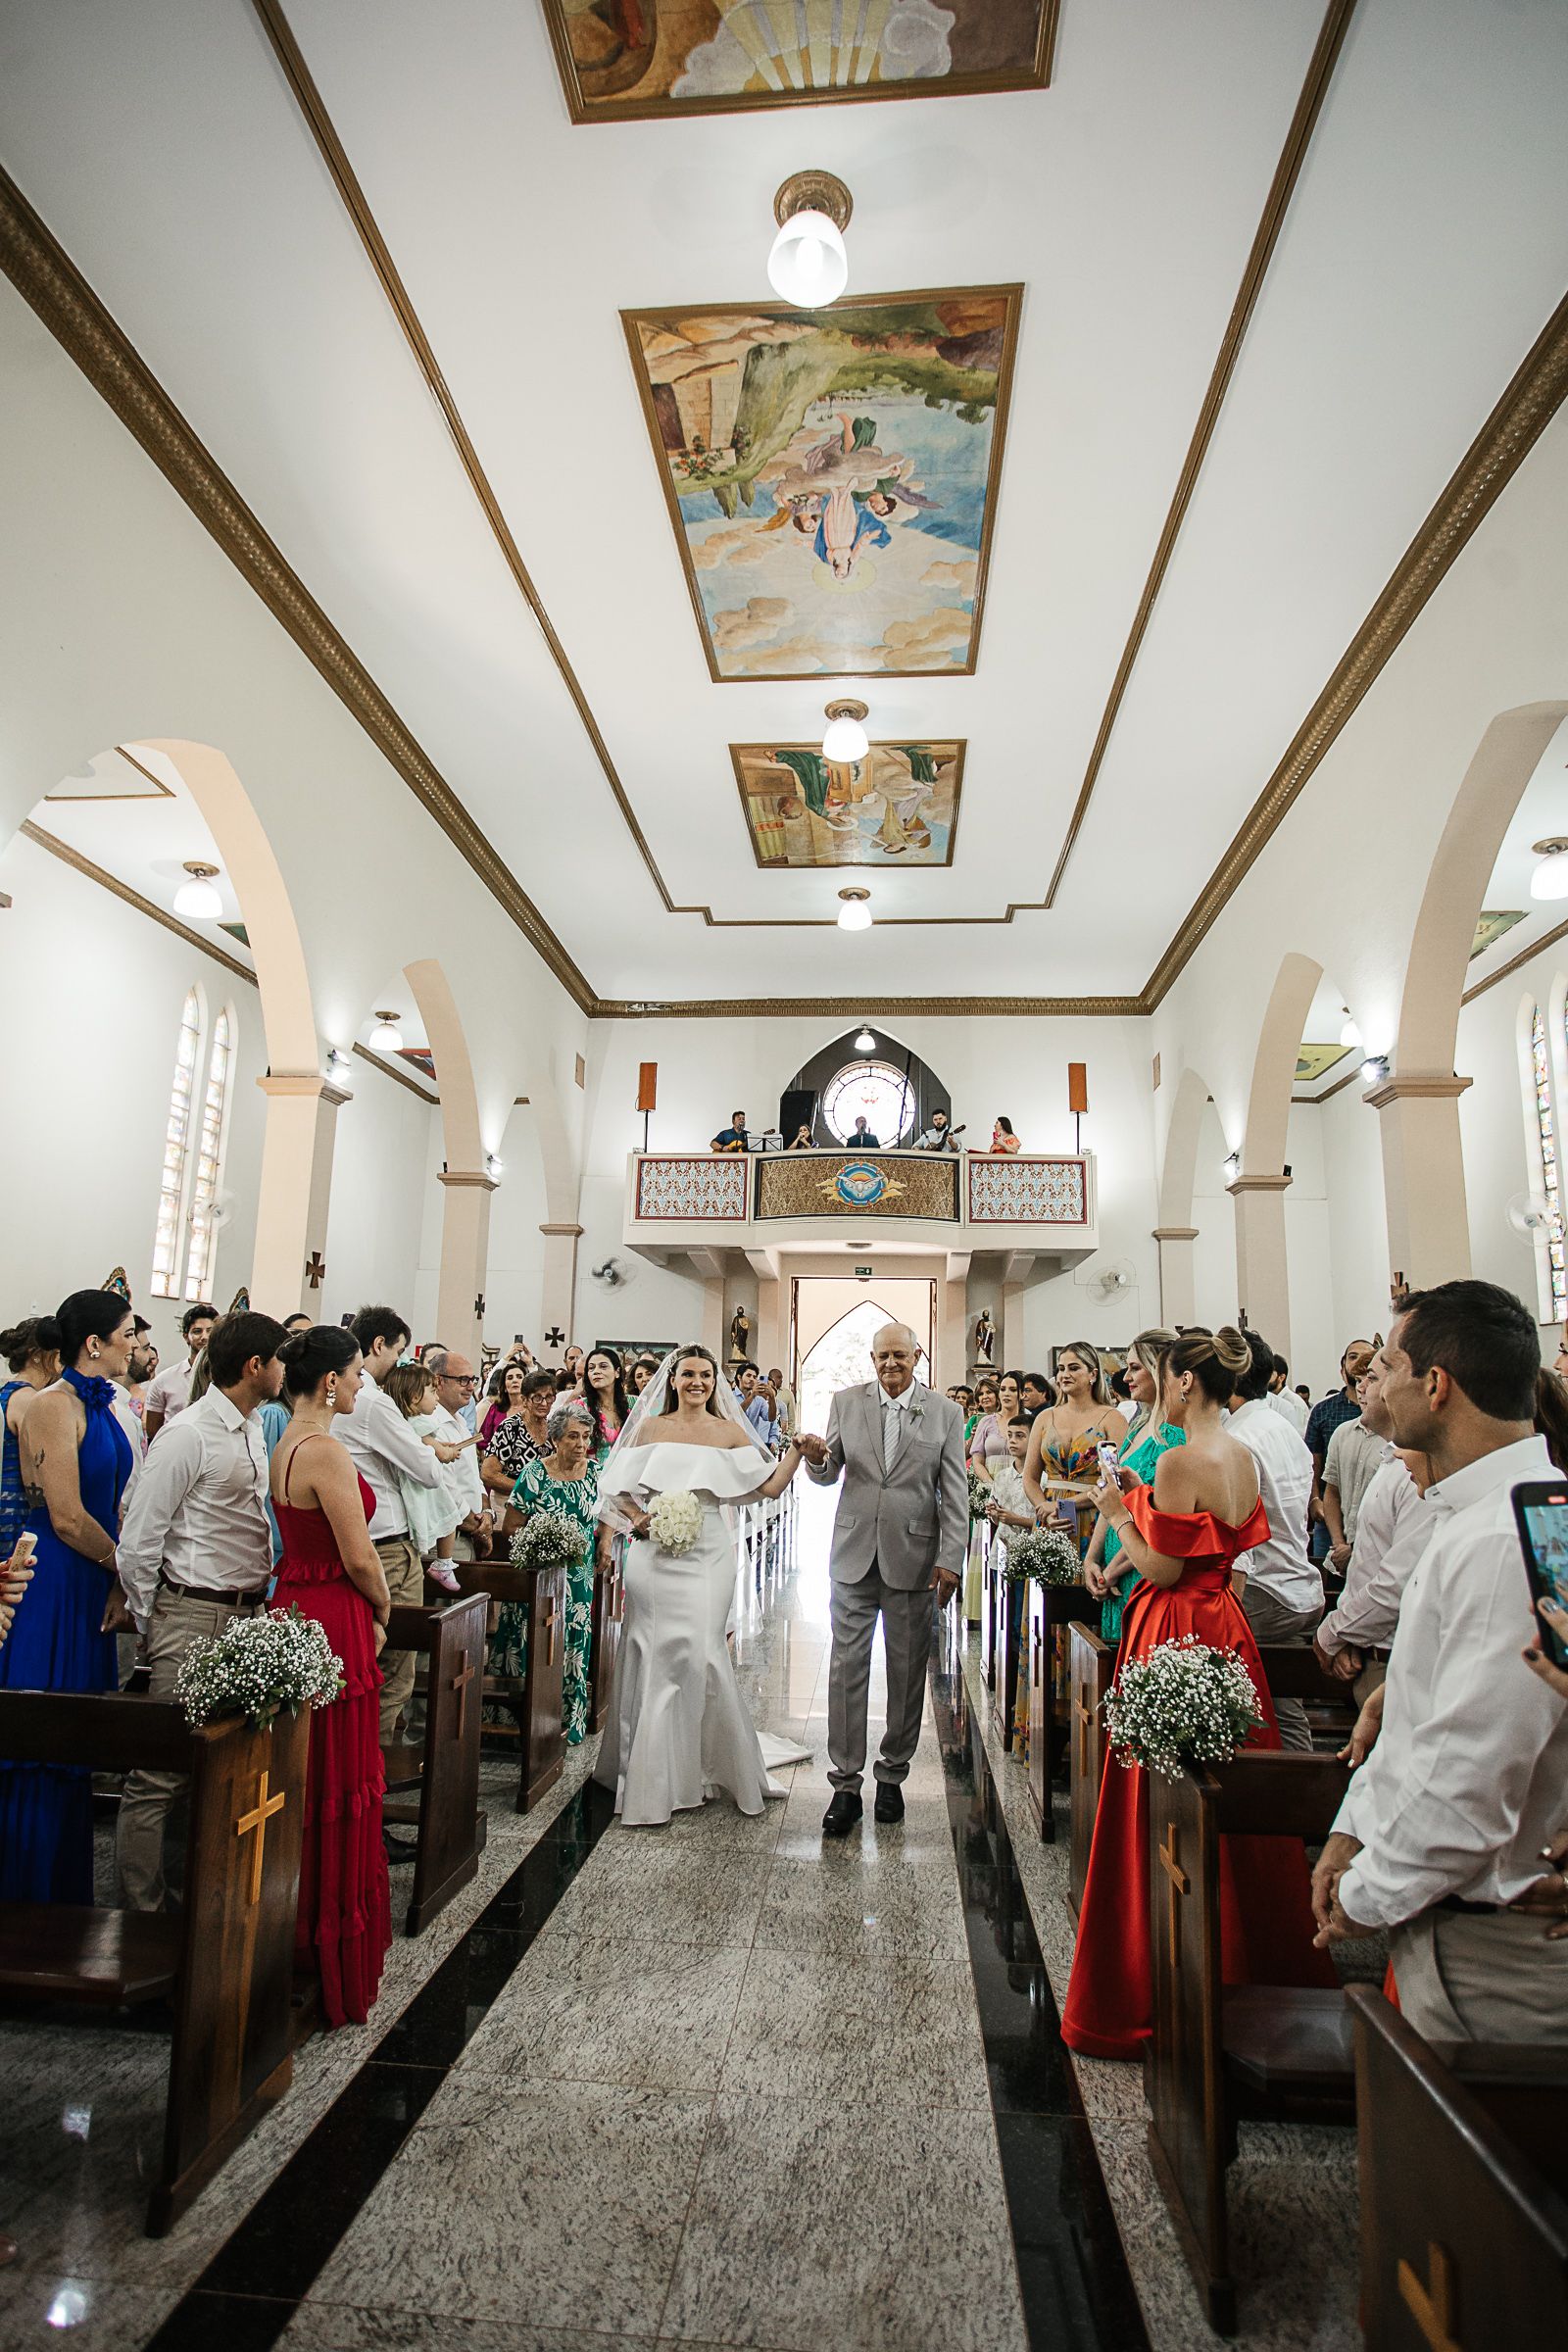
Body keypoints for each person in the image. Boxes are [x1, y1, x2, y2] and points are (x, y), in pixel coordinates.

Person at [1062, 1328, 1334, 2060]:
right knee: (1230, 1778)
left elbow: (1162, 1569)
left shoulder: (1182, 1458)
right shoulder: (1242, 1452)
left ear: (1183, 1382)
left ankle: (1154, 1975)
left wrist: (1119, 1512)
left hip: (1174, 1621)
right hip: (1227, 1622)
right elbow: (1237, 1555)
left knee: (1163, 1797)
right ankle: (1252, 1954)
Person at [1311, 1281, 1568, 2041]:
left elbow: (1472, 1773)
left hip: (1492, 1938)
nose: (1374, 1384)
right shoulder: (1495, 1509)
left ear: (1436, 1385)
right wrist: (1351, 1830)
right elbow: (1422, 1712)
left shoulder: (1502, 1539)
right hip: (1460, 1912)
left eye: (1387, 1365)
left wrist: (1366, 1896)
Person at [115, 1311, 289, 1911]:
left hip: (244, 1614)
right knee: (161, 1774)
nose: (285, 1371)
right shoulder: (188, 1433)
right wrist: (153, 1618)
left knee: (216, 1769)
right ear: (254, 1366)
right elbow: (140, 1537)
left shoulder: (247, 1427)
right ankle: (141, 1913)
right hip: (191, 1613)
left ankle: (195, 1905)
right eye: (280, 1360)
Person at [596, 1346, 810, 1824]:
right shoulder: (650, 1428)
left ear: (716, 1383)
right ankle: (651, 1777)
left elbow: (769, 1486)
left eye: (706, 1375)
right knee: (653, 1650)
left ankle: (707, 1764)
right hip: (653, 1554)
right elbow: (615, 1486)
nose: (697, 1382)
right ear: (672, 1380)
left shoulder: (730, 1432)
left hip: (709, 1549)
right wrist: (640, 1520)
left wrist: (795, 1451)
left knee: (700, 1650)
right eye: (688, 1374)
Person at [270, 1325, 392, 2027]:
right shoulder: (325, 1451)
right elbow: (360, 1556)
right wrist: (380, 1609)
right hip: (333, 1615)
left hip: (294, 1600)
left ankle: (299, 1927)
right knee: (339, 1775)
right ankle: (330, 1943)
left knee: (307, 1773)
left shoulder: (284, 1442)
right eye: (354, 1375)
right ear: (329, 1383)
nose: (358, 1385)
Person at [801, 1322, 966, 1835]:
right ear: (871, 1359)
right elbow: (830, 1471)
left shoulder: (945, 1412)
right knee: (845, 1670)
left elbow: (954, 1491)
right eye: (881, 1357)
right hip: (852, 1555)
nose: (890, 1364)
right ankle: (845, 1785)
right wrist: (814, 1461)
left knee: (906, 1670)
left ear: (916, 1355)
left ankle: (892, 1775)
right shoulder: (847, 1402)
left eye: (899, 1355)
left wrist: (951, 1558)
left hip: (914, 1558)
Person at [0, 1291, 136, 1902]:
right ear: (94, 1343)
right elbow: (66, 1516)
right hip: (58, 1577)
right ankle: (27, 1905)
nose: (133, 1343)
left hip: (90, 1578)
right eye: (127, 1333)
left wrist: (112, 1576)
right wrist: (123, 1567)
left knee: (78, 1737)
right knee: (44, 1741)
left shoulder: (100, 1403)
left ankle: (65, 1905)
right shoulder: (54, 1406)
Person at [337, 1304, 443, 1745]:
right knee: (393, 1672)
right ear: (377, 1345)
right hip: (386, 1548)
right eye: (397, 1353)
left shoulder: (329, 1400)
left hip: (347, 1543)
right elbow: (427, 1470)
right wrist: (431, 1448)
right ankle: (368, 1771)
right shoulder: (373, 1402)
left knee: (357, 1667)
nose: (398, 1364)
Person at [1226, 1332, 1325, 1752]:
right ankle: (1300, 1799)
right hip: (1298, 1581)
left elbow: (1242, 1535)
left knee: (1234, 1702)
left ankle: (1246, 1800)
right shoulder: (1280, 1425)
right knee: (1285, 1707)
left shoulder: (1239, 1438)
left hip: (1263, 1589)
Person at [1313, 1365, 1432, 1705]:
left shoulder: (1417, 1469)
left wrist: (1334, 1632)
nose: (1359, 1387)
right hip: (1370, 1646)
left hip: (1393, 1655)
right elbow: (1373, 1561)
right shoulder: (1392, 1459)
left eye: (1373, 1377)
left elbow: (1397, 1584)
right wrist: (1352, 1634)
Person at [502, 1400, 602, 1744]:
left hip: (579, 1577)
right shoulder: (535, 1473)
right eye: (572, 1436)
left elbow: (610, 1513)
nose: (580, 1443)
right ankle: (530, 1720)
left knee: (575, 1644)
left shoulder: (595, 1473)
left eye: (585, 1436)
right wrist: (540, 1547)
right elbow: (511, 1526)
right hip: (541, 1575)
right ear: (556, 1439)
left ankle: (571, 1718)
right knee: (539, 1644)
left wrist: (605, 1541)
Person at [1083, 1328, 1182, 1642]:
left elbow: (1161, 1523)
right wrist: (1092, 1558)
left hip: (1138, 1569)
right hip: (1114, 1567)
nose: (1126, 1377)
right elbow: (1110, 1496)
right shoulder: (1139, 1423)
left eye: (1136, 1367)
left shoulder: (1173, 1435)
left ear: (1162, 1369)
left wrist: (1113, 1569)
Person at [381, 1362, 465, 1592]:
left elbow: (427, 1444)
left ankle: (444, 1563)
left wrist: (438, 1445)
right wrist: (445, 1451)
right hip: (423, 1485)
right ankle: (444, 1563)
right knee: (450, 1514)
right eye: (432, 1391)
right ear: (415, 1397)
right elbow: (433, 1448)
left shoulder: (403, 1421)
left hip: (417, 1481)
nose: (437, 1397)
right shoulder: (417, 1422)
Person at [1022, 1342, 1127, 1524]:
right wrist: (1045, 1509)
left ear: (1092, 1374)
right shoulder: (1045, 1417)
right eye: (1061, 1369)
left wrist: (1062, 1505)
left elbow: (1115, 1481)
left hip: (1094, 1515)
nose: (1065, 1375)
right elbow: (1030, 1478)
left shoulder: (1112, 1419)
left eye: (1074, 1368)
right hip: (1049, 1517)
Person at [1306, 1340, 1375, 1558]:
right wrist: (1315, 1499)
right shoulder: (1324, 1411)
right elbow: (1314, 1462)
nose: (1358, 1365)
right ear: (1342, 1366)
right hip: (1331, 1514)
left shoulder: (1382, 1418)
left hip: (1369, 1521)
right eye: (1353, 1357)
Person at [1321, 1356, 1391, 1568]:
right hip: (1342, 1551)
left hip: (1379, 1554)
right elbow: (1332, 1491)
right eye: (1358, 1381)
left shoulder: (1394, 1440)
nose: (1361, 1388)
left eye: (1369, 1380)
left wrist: (1354, 1549)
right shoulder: (1343, 1433)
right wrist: (1338, 1543)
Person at [1, 1315, 61, 1555]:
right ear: (38, 1354)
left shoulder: (8, 1392)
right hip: (15, 1511)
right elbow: (36, 1474)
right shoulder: (28, 1400)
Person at [427, 1350, 493, 1562]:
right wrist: (479, 1528)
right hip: (447, 1537)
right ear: (439, 1381)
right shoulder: (431, 1425)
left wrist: (487, 1511)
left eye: (472, 1380)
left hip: (467, 1533)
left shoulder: (460, 1422)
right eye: (463, 1380)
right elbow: (444, 1489)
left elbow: (473, 1477)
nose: (471, 1387)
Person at [142, 1300, 217, 1442]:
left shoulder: (226, 1377)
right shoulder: (165, 1380)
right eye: (197, 1331)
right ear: (186, 1336)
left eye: (210, 1330)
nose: (204, 1337)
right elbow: (154, 1432)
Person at [481, 1366, 553, 1497]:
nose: (544, 1403)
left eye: (548, 1397)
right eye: (537, 1398)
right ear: (524, 1400)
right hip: (508, 1501)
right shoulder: (510, 1427)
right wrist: (527, 1489)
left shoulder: (553, 1428)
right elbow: (488, 1473)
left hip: (541, 1503)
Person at [582, 1347, 629, 1458]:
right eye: (591, 1368)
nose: (596, 1371)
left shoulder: (633, 1403)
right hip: (595, 1472)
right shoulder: (580, 1407)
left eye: (603, 1366)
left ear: (617, 1372)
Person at [1267, 1352, 1310, 1435]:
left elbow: (1298, 1435)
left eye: (1270, 1374)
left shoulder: (1294, 1403)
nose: (1265, 1378)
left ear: (1281, 1377)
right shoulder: (1268, 1399)